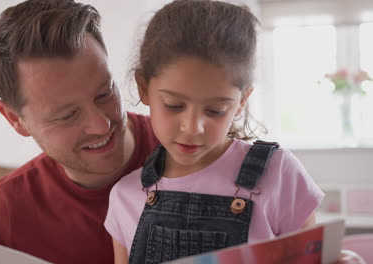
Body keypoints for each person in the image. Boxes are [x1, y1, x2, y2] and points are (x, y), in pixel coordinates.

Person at [104, 1, 325, 263]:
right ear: (143, 88)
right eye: (174, 106)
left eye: (215, 110)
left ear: (242, 101)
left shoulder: (278, 174)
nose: (192, 128)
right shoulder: (125, 196)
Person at [0, 0, 159, 263]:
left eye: (104, 94)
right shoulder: (5, 217)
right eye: (67, 115)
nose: (101, 125)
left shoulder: (201, 153)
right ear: (15, 119)